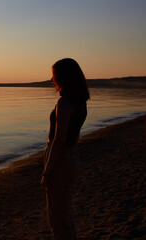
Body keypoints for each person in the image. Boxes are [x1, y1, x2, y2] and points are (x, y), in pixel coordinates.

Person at [41, 58, 90, 240]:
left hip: (61, 160)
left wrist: (46, 172)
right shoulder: (80, 102)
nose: (52, 79)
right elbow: (70, 138)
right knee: (64, 215)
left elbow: (59, 139)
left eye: (54, 75)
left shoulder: (64, 103)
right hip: (71, 157)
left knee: (58, 218)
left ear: (63, 78)